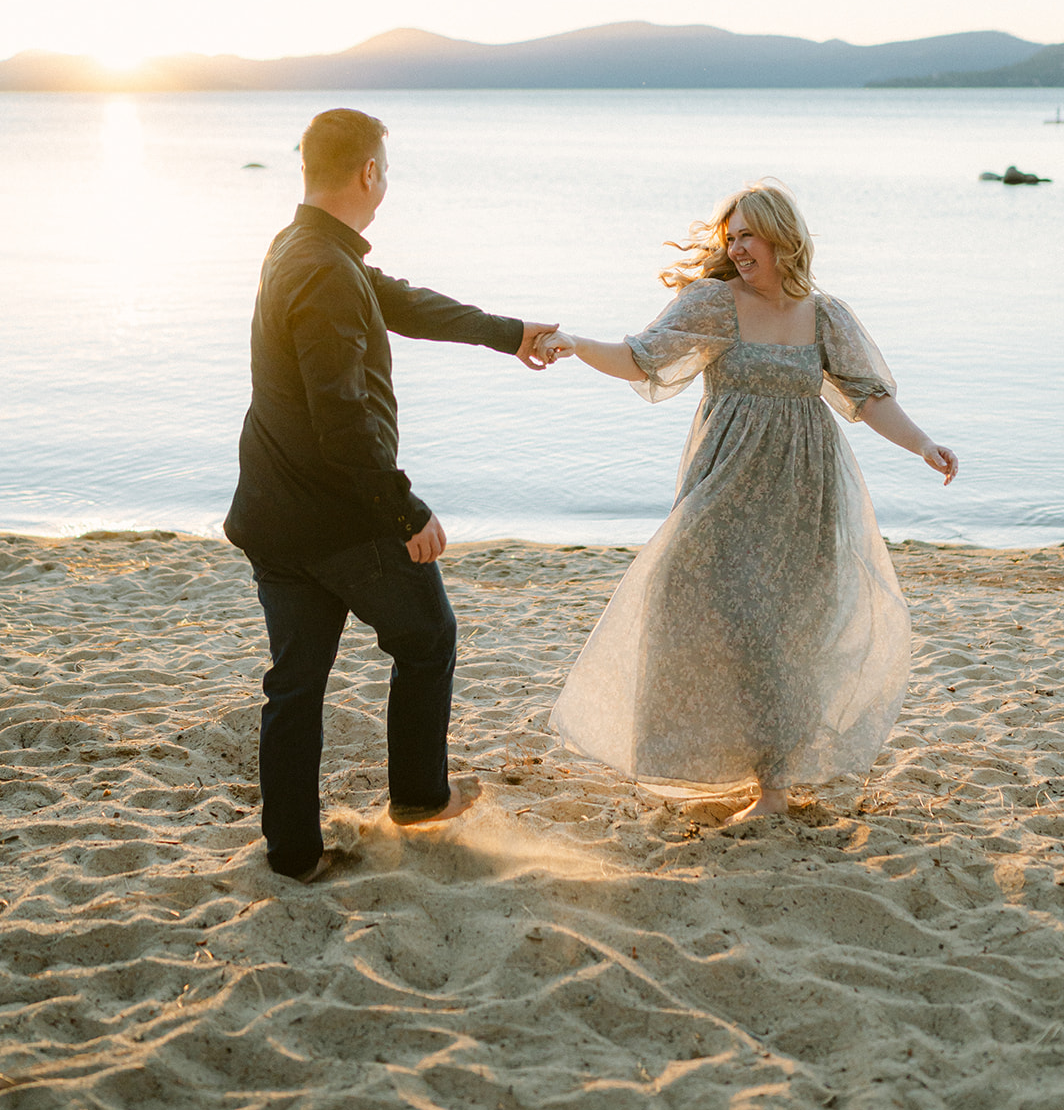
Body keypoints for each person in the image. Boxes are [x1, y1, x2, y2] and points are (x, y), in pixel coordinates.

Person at [537, 180, 958, 824]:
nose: (736, 248)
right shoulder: (713, 304)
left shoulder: (825, 315)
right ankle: (700, 756)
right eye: (729, 237)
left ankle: (773, 787)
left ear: (783, 238)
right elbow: (641, 357)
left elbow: (868, 397)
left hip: (804, 491)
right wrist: (576, 344)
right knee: (688, 595)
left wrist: (923, 444)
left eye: (748, 236)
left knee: (784, 632)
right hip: (723, 486)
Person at [224, 108, 556, 880]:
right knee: (428, 637)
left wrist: (508, 332)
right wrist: (406, 510)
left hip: (273, 515)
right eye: (387, 169)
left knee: (296, 683)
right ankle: (417, 799)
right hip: (341, 519)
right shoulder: (324, 270)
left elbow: (399, 302)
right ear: (369, 172)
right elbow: (341, 417)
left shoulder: (302, 249)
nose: (387, 183)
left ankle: (295, 854)